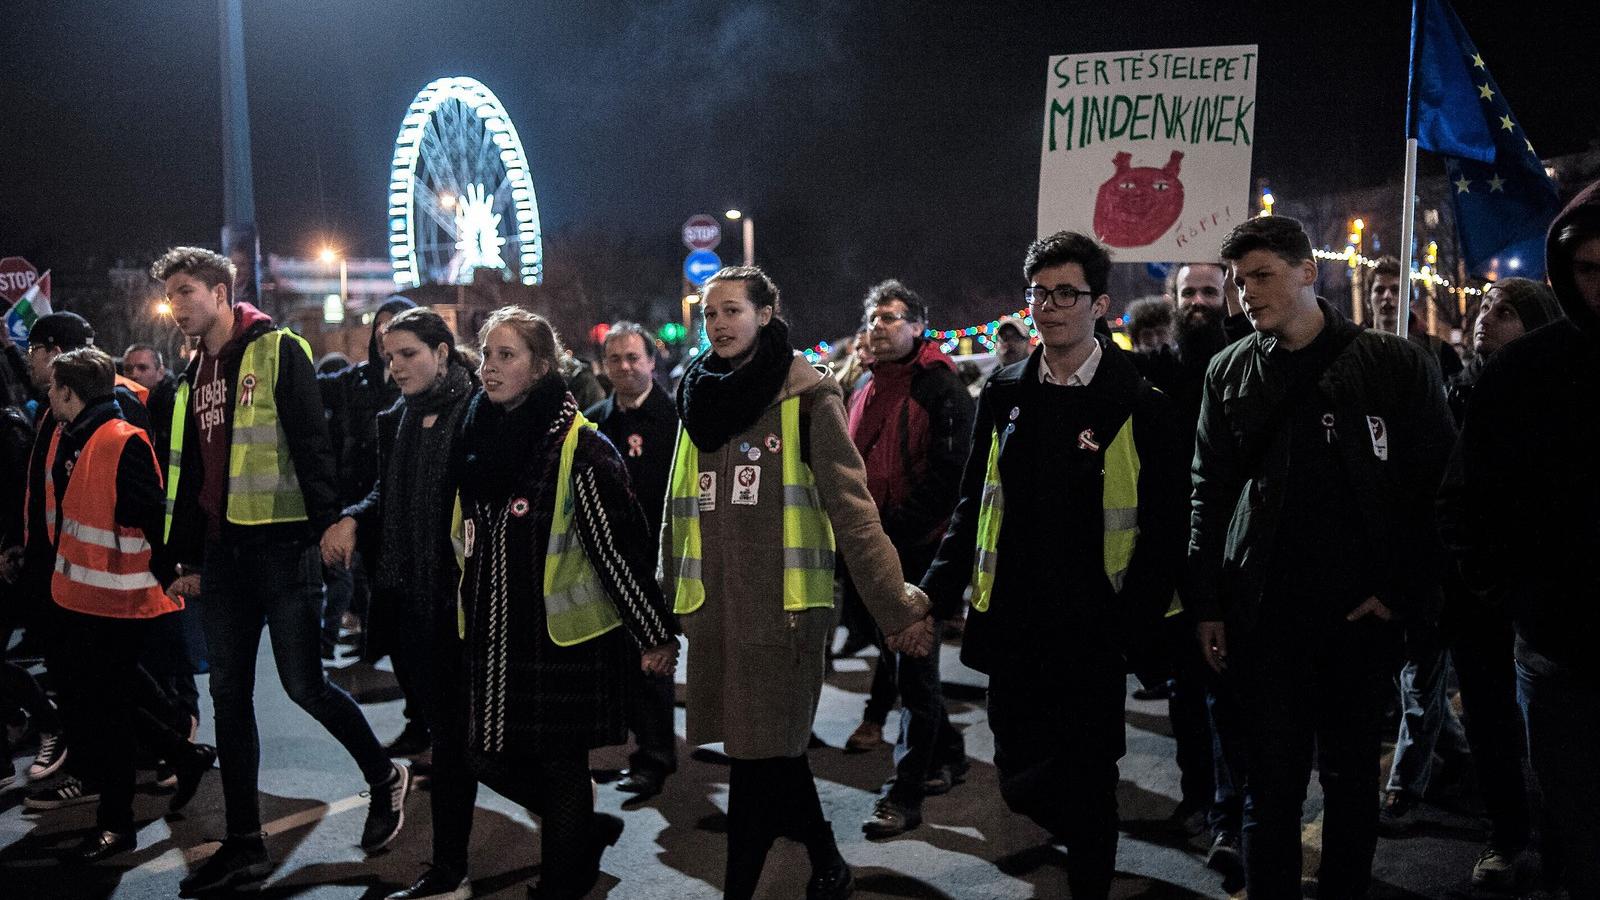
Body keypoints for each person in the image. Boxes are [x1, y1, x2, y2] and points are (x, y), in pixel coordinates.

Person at [1189, 216, 1456, 899]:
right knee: (1269, 788)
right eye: (1237, 280)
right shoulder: (1228, 371)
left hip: (1358, 619)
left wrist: (1401, 590)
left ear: (1309, 271)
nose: (1246, 293)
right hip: (1265, 618)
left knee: (1348, 783)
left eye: (1262, 275)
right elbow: (1208, 492)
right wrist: (1210, 603)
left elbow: (1439, 489)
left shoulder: (1393, 365)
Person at [920, 232, 1188, 899]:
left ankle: (1091, 871)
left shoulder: (1138, 401)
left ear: (1099, 304)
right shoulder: (1005, 391)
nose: (1049, 307)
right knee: (1017, 773)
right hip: (1014, 620)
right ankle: (1075, 824)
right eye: (1039, 293)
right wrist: (934, 590)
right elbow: (973, 503)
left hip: (1094, 627)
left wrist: (1131, 625)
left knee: (1092, 775)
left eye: (1065, 294)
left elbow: (1163, 528)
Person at [663, 266, 934, 900]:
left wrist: (897, 607)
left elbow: (853, 510)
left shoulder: (808, 395)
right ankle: (827, 863)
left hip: (785, 613)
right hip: (718, 611)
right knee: (772, 757)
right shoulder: (696, 395)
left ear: (765, 314)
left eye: (733, 310)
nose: (720, 324)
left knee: (755, 767)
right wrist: (660, 605)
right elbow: (675, 505)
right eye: (711, 313)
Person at [152, 247, 408, 896]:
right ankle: (245, 844)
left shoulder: (277, 349)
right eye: (172, 295)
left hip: (283, 546)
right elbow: (190, 474)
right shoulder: (195, 371)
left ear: (218, 290)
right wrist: (183, 557)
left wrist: (328, 524)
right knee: (229, 700)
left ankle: (384, 777)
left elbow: (310, 441)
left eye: (186, 292)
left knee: (304, 686)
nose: (177, 306)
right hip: (223, 556)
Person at [455, 306, 678, 899]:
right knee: (483, 757)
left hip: (559, 638)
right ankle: (580, 832)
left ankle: (564, 881)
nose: (489, 369)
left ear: (542, 365)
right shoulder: (477, 433)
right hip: (495, 634)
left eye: (506, 356)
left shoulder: (581, 447)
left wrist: (654, 633)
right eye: (486, 355)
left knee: (559, 769)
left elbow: (617, 551)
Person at [1438, 180, 1600, 897]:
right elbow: (1468, 502)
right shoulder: (1524, 374)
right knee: (1575, 824)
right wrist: (1517, 597)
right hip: (1559, 649)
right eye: (1590, 268)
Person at [31, 347, 216, 862]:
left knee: (107, 712)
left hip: (118, 599)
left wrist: (175, 574)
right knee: (112, 700)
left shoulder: (116, 439)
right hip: (87, 597)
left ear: (69, 393)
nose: (47, 396)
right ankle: (185, 753)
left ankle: (117, 824)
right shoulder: (80, 434)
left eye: (53, 389)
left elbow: (153, 514)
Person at [320, 307, 480, 900]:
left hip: (461, 604)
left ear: (443, 351)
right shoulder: (399, 419)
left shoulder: (477, 413)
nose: (396, 367)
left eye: (409, 353)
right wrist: (354, 518)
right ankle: (457, 862)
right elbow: (388, 491)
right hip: (410, 603)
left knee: (468, 746)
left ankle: (454, 868)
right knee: (452, 741)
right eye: (389, 357)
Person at [1424, 278, 1559, 892]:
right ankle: (1506, 836)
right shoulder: (1458, 394)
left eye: (1504, 311)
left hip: (1545, 597)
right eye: (1483, 308)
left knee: (1555, 732)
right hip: (1477, 596)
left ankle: (1563, 841)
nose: (1486, 318)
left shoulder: (1559, 395)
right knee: (1491, 726)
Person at [836, 280, 974, 839]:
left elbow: (950, 480)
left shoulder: (942, 390)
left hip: (918, 552)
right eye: (873, 318)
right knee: (902, 667)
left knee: (914, 674)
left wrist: (887, 533)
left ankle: (904, 792)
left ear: (918, 326)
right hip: (875, 553)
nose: (880, 326)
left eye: (893, 318)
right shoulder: (866, 386)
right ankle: (951, 754)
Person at [584, 321, 681, 800]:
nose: (624, 366)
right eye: (615, 359)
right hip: (607, 560)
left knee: (653, 661)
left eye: (633, 358)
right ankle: (635, 743)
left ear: (651, 362)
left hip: (655, 560)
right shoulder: (595, 421)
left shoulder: (676, 420)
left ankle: (656, 756)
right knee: (620, 662)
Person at [321, 296, 415, 675]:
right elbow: (313, 390)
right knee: (364, 585)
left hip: (398, 511)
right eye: (379, 323)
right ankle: (371, 649)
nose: (382, 331)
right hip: (360, 504)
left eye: (393, 323)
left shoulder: (416, 387)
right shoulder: (355, 380)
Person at [1367, 255, 1463, 380]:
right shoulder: (1355, 351)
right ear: (1368, 299)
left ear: (1409, 298)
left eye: (1396, 290)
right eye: (1380, 290)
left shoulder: (1440, 353)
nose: (1387, 296)